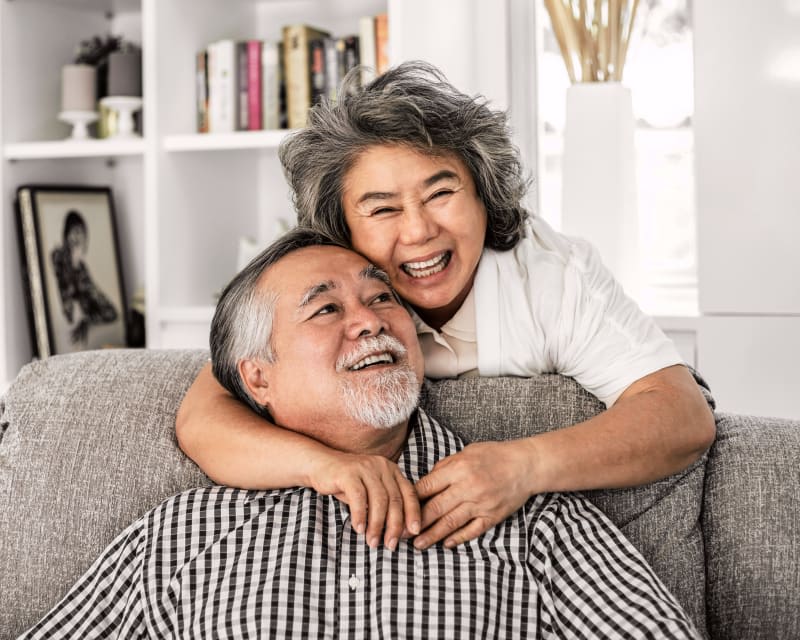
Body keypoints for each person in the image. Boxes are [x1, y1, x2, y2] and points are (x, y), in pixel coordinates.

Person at [22, 229, 699, 638]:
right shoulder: (184, 534)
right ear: (259, 379)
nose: (372, 320)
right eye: (326, 309)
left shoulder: (536, 518)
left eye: (382, 298)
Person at [176, 61, 715, 552]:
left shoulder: (556, 276)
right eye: (383, 209)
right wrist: (329, 466)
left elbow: (682, 416)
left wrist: (525, 465)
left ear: (485, 193)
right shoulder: (340, 288)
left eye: (441, 194)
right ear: (340, 231)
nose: (419, 232)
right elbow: (207, 413)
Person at [51, 210, 118, 346]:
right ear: (67, 234)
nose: (78, 237)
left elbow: (94, 294)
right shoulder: (58, 256)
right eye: (75, 232)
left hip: (88, 313)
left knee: (111, 313)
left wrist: (88, 319)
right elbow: (67, 300)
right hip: (69, 321)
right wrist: (73, 266)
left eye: (81, 233)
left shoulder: (81, 267)